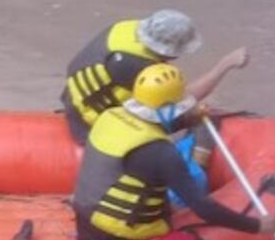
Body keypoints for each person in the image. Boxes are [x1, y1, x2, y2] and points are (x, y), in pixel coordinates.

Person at [72, 63, 275, 240]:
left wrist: (187, 119)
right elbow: (205, 209)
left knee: (162, 203)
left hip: (89, 227)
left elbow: (150, 123)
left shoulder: (110, 116)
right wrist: (258, 226)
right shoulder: (161, 154)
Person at [60, 9, 250, 145]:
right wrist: (225, 65)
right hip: (89, 126)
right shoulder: (139, 68)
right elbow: (186, 98)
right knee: (185, 114)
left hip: (73, 97)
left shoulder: (125, 28)